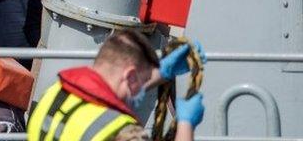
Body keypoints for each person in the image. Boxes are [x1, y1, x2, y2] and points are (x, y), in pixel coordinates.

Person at [28, 31, 205, 141]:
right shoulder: (123, 132)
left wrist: (161, 73)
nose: (141, 91)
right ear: (129, 76)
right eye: (141, 82)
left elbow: (104, 94)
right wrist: (185, 124)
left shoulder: (54, 93)